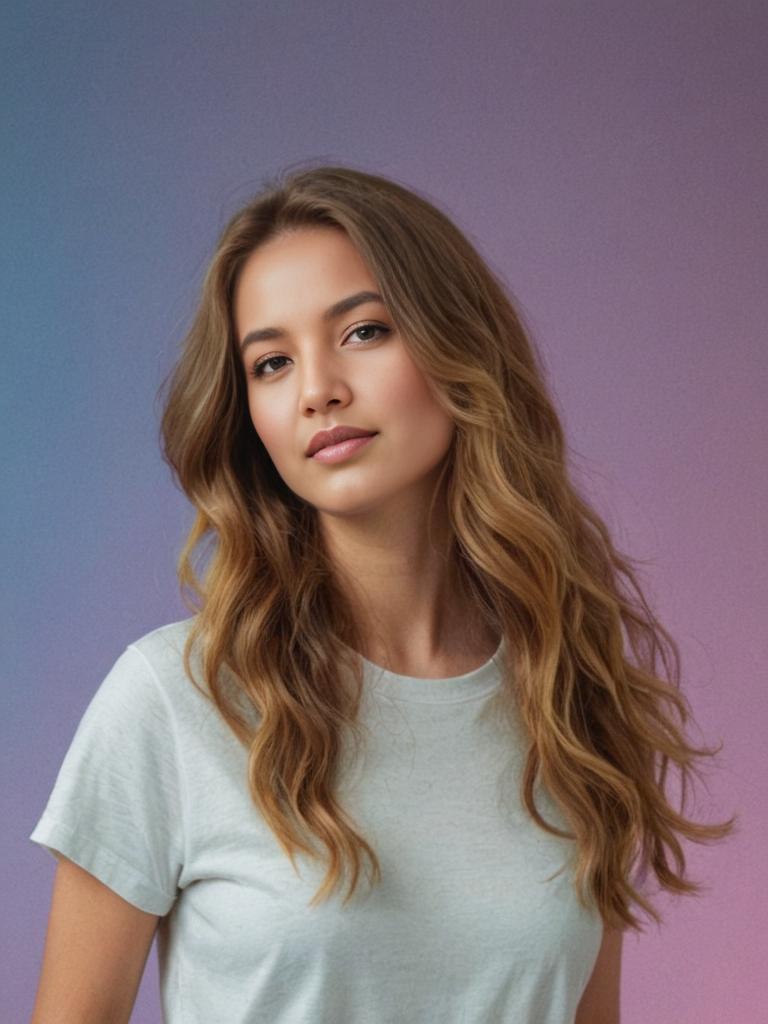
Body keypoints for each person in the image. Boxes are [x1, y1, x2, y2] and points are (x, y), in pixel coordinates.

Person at [29, 163, 736, 1024]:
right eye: (273, 362)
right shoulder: (175, 702)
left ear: (458, 347)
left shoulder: (568, 696)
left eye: (362, 332)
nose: (318, 388)